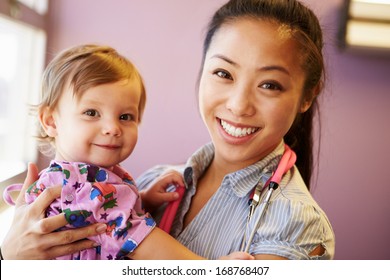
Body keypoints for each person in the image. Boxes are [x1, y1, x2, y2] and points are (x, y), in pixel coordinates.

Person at [1, 0, 335, 260]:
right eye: (223, 73)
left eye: (270, 84)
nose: (238, 105)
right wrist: (11, 257)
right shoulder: (157, 180)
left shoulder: (296, 226)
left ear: (307, 95)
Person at [1, 44, 252, 261]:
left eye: (125, 116)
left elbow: (102, 220)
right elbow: (139, 240)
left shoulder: (83, 177)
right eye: (91, 113)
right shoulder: (80, 187)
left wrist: (144, 199)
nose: (112, 128)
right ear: (51, 121)